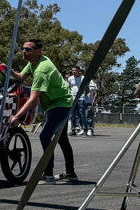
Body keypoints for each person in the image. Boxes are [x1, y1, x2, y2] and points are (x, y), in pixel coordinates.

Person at [8, 38, 77, 183]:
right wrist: (8, 70)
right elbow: (20, 77)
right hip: (56, 103)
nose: (24, 51)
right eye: (23, 48)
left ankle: (48, 174)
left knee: (45, 136)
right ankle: (70, 173)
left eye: (28, 49)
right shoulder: (33, 62)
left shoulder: (41, 70)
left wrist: (17, 117)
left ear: (38, 51)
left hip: (61, 104)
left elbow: (33, 99)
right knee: (62, 139)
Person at [67, 66, 90, 136]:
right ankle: (73, 129)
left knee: (82, 114)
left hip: (81, 99)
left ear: (79, 71)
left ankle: (85, 129)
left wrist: (83, 95)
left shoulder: (83, 78)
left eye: (75, 70)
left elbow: (87, 88)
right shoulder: (70, 79)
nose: (74, 72)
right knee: (73, 115)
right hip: (73, 98)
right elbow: (69, 87)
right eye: (73, 70)